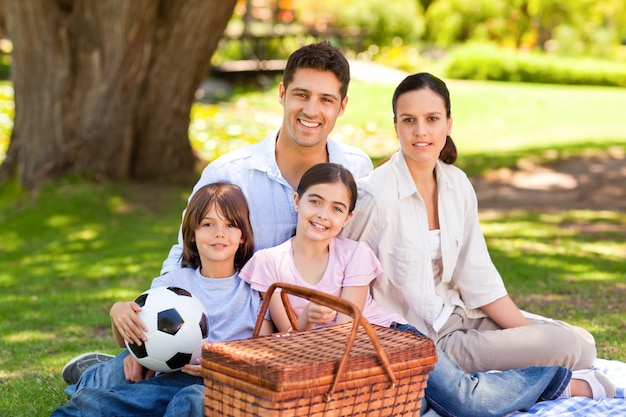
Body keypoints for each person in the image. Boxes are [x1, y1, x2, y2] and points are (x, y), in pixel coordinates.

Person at [61, 40, 373, 385]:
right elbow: (183, 255)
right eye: (302, 94)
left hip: (312, 339)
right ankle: (104, 371)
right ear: (282, 93)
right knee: (135, 387)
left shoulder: (355, 168)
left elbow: (359, 252)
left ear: (342, 106)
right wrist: (150, 330)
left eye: (326, 99)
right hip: (230, 333)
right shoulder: (230, 173)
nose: (311, 110)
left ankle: (105, 367)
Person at [240, 162, 615, 417]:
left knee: (466, 403)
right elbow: (284, 343)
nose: (323, 215)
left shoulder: (352, 254)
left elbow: (347, 329)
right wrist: (304, 321)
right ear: (297, 201)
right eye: (315, 202)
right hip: (337, 369)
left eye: (337, 208)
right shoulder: (271, 263)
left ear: (348, 218)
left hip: (391, 343)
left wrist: (310, 325)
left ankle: (566, 384)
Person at [340, 72, 597, 374]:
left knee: (583, 344)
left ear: (448, 124)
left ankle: (534, 368)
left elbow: (477, 276)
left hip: (460, 315)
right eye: (409, 120)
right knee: (563, 346)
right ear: (395, 126)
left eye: (432, 119)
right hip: (425, 340)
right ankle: (554, 382)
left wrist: (528, 336)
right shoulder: (374, 196)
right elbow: (340, 274)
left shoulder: (456, 184)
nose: (420, 131)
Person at [51, 183, 274, 416]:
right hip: (165, 375)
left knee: (191, 400)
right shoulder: (173, 283)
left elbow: (266, 352)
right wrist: (118, 314)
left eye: (230, 224)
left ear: (242, 236)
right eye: (208, 224)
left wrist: (224, 365)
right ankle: (92, 374)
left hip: (219, 384)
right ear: (192, 234)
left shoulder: (254, 289)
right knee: (101, 389)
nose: (219, 232)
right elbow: (129, 337)